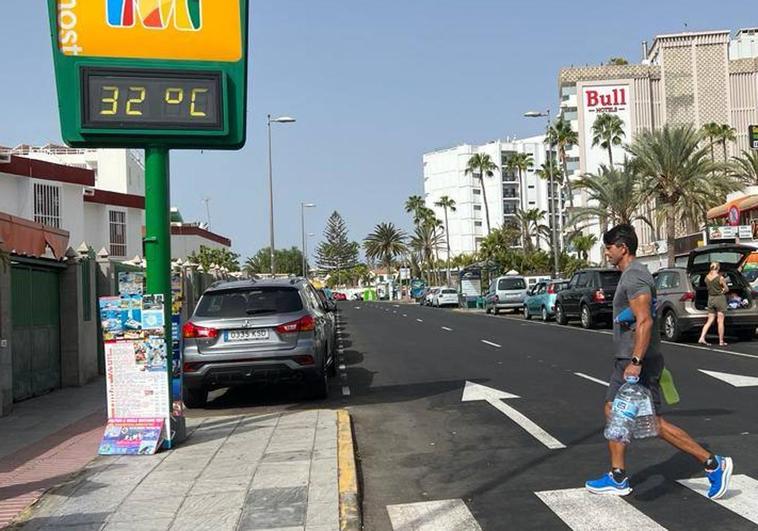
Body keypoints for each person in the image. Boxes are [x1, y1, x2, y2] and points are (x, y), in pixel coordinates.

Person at [586, 224, 732, 499]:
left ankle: (713, 464)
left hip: (637, 360)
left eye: (609, 247)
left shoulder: (635, 276)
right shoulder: (632, 275)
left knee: (653, 423)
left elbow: (645, 320)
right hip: (627, 358)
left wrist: (637, 360)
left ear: (623, 248)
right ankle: (617, 475)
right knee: (613, 409)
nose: (606, 252)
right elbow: (639, 312)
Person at [698, 262, 729, 346]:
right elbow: (726, 289)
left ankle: (702, 337)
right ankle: (721, 341)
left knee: (709, 320)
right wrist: (723, 289)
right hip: (719, 299)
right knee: (720, 321)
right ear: (718, 268)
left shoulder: (706, 278)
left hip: (710, 299)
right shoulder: (720, 278)